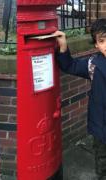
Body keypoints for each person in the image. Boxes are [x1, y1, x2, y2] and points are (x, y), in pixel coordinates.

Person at [54, 18, 106, 180]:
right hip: (102, 127)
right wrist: (63, 45)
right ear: (96, 45)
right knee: (102, 162)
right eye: (103, 41)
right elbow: (70, 65)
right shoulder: (93, 64)